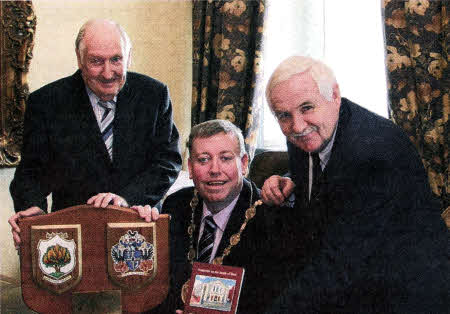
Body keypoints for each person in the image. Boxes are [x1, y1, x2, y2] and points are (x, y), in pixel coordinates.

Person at [261, 56, 449, 312]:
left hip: (404, 294)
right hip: (352, 279)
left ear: (335, 95)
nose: (297, 125)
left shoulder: (375, 153)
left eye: (307, 108)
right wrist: (290, 179)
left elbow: (341, 262)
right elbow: (324, 187)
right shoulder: (311, 132)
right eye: (284, 115)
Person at [8, 19, 182, 249]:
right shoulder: (47, 103)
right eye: (96, 61)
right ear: (80, 60)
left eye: (116, 60)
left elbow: (167, 161)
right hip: (74, 236)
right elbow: (30, 172)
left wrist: (126, 198)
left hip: (138, 229)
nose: (108, 73)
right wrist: (33, 210)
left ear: (128, 57)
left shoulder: (154, 95)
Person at [134, 119, 276, 313]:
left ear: (243, 164)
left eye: (225, 158)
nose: (215, 170)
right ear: (190, 168)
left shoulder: (271, 217)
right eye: (203, 159)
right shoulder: (176, 205)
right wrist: (142, 231)